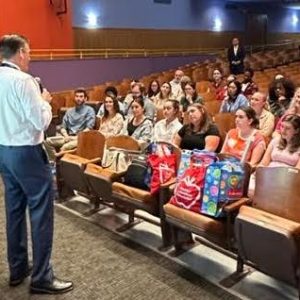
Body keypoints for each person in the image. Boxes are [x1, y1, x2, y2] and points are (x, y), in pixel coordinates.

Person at [0, 34, 73, 294]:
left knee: (14, 210)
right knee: (41, 213)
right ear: (20, 52)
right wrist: (45, 101)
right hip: (27, 153)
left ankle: (18, 268)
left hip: (4, 152)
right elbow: (39, 122)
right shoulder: (24, 80)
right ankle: (42, 276)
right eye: (28, 52)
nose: (30, 57)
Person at [44, 87, 96, 161]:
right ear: (74, 98)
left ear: (85, 99)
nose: (78, 98)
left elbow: (89, 129)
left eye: (81, 96)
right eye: (77, 96)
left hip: (80, 139)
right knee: (47, 142)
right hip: (67, 137)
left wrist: (75, 137)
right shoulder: (69, 111)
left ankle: (59, 164)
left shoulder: (90, 110)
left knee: (65, 147)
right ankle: (53, 162)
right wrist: (66, 136)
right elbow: (63, 126)